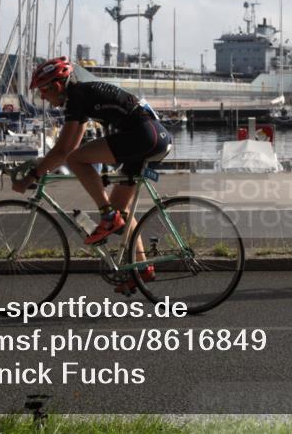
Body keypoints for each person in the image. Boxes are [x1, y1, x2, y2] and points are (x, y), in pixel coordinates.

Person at [11, 56, 172, 291]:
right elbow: (69, 145)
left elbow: (66, 151)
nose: (42, 98)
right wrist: (41, 166)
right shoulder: (82, 97)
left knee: (75, 160)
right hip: (152, 138)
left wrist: (32, 176)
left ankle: (107, 217)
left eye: (42, 92)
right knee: (122, 210)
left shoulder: (77, 97)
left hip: (145, 137)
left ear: (56, 86)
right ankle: (142, 268)